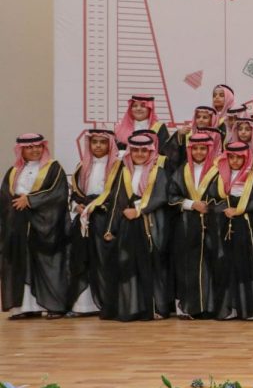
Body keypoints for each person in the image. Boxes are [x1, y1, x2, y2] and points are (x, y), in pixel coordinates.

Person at [105, 132, 172, 321]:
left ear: (150, 152)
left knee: (152, 265)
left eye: (144, 151)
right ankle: (133, 307)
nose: (140, 154)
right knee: (128, 266)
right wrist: (110, 228)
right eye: (136, 151)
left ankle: (156, 308)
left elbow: (160, 197)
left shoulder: (158, 172)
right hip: (127, 225)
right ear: (130, 152)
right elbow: (116, 200)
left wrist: (140, 211)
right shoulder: (124, 172)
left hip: (151, 223)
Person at [2, 134, 70, 318]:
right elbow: (5, 196)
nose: (35, 150)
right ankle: (24, 308)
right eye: (29, 147)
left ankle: (53, 306)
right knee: (20, 262)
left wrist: (30, 200)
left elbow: (58, 193)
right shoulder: (13, 171)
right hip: (18, 224)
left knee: (47, 263)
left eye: (38, 146)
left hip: (45, 224)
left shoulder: (53, 168)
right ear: (21, 150)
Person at [210, 141, 253, 320]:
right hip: (225, 226)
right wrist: (225, 209)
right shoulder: (220, 177)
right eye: (231, 157)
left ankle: (252, 308)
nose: (234, 161)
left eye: (238, 158)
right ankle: (231, 308)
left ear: (246, 158)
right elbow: (211, 200)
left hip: (247, 227)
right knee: (228, 266)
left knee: (248, 265)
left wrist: (239, 210)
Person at [167, 131, 220, 319]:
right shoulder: (182, 171)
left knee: (211, 266)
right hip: (186, 225)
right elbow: (171, 196)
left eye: (202, 148)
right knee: (187, 266)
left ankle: (210, 307)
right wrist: (192, 204)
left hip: (212, 226)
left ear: (209, 149)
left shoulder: (218, 170)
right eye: (195, 148)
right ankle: (190, 307)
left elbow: (224, 196)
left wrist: (209, 207)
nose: (198, 152)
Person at [68, 129, 120, 318]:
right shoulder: (81, 166)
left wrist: (98, 206)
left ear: (110, 144)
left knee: (104, 261)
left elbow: (119, 194)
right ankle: (83, 306)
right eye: (94, 142)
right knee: (81, 259)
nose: (98, 146)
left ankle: (106, 304)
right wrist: (77, 206)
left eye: (103, 142)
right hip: (84, 220)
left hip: (106, 219)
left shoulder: (118, 167)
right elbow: (75, 194)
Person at [114, 94, 176, 161]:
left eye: (143, 106)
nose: (138, 109)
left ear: (149, 109)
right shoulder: (121, 127)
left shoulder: (158, 127)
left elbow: (163, 152)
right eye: (135, 106)